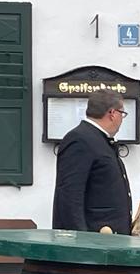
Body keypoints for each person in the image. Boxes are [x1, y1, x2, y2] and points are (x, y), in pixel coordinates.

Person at [52, 89, 132, 234]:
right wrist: (82, 240)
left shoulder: (100, 139)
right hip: (94, 239)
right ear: (112, 113)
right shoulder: (79, 139)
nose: (122, 119)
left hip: (110, 239)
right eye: (122, 114)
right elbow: (70, 196)